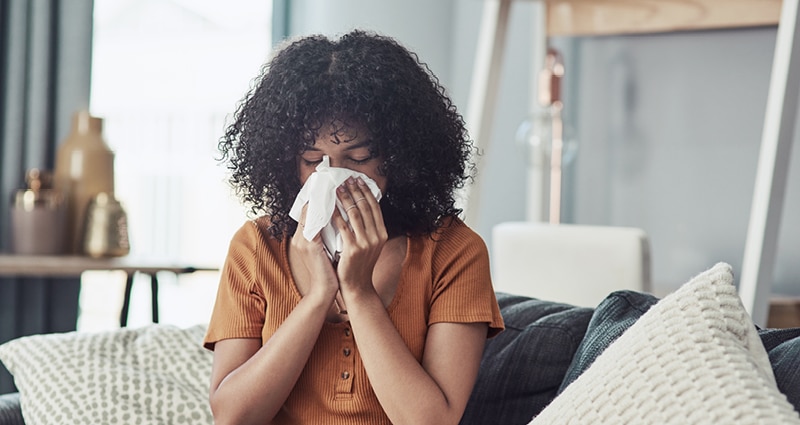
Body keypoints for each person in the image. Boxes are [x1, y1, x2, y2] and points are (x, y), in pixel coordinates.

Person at [203, 29, 504, 425]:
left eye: (358, 157)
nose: (336, 178)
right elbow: (232, 416)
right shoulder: (256, 247)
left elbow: (431, 422)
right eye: (313, 161)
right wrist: (318, 297)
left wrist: (359, 292)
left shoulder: (453, 251)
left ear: (400, 155)